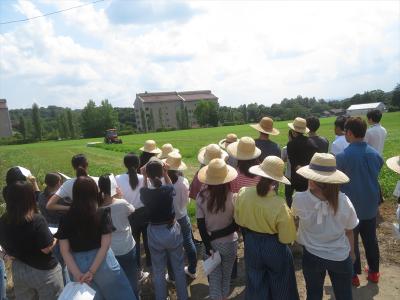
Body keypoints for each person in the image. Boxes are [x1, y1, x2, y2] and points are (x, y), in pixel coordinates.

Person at [55, 176, 136, 300]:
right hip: (103, 261)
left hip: (77, 263)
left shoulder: (65, 218)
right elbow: (105, 245)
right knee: (119, 294)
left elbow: (64, 250)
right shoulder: (102, 214)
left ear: (75, 193)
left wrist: (77, 274)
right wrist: (91, 271)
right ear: (94, 192)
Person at [292, 153, 358, 300]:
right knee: (344, 295)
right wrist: (352, 253)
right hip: (340, 256)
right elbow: (349, 231)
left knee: (313, 295)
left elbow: (295, 220)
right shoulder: (344, 201)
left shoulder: (299, 199)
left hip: (311, 255)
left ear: (313, 180)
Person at [234, 156, 299, 300]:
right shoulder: (280, 204)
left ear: (259, 173)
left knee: (255, 280)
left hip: (251, 242)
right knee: (281, 282)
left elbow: (238, 219)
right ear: (276, 180)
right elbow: (287, 237)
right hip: (274, 245)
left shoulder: (244, 193)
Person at [336, 117, 383, 286]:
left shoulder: (342, 157)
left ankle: (353, 274)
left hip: (351, 207)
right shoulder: (374, 154)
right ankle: (374, 272)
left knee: (351, 241)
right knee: (371, 240)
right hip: (370, 204)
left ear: (349, 132)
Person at [0, 181, 63, 299]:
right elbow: (46, 249)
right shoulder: (36, 219)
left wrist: (6, 256)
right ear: (29, 198)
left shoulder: (3, 219)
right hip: (44, 271)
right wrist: (56, 238)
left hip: (19, 269)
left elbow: (4, 247)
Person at [140, 160, 188, 300]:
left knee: (158, 270)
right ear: (161, 173)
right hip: (171, 229)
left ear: (148, 175)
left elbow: (143, 191)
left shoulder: (145, 193)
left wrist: (144, 177)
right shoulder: (167, 190)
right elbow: (170, 186)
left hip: (154, 231)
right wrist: (166, 173)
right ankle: (183, 297)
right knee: (178, 268)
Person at [196, 158, 238, 300]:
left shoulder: (200, 197)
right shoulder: (233, 196)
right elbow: (235, 224)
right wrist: (217, 234)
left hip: (211, 246)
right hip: (230, 243)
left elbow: (201, 226)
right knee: (226, 279)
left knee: (214, 281)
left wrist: (208, 243)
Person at [98, 174, 138, 298]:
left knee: (116, 280)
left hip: (109, 250)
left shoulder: (98, 208)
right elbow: (132, 210)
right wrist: (120, 196)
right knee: (132, 276)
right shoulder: (122, 203)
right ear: (114, 187)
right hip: (127, 246)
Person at [163, 152, 197, 281]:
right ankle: (192, 270)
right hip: (182, 216)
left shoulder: (161, 181)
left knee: (171, 248)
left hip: (168, 220)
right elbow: (186, 202)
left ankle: (172, 275)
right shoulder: (183, 181)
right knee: (188, 242)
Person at [116, 153, 151, 278]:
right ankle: (151, 265)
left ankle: (138, 271)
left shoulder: (117, 178)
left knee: (134, 243)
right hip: (144, 213)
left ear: (125, 164)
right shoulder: (143, 178)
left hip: (128, 214)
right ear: (138, 164)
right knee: (148, 241)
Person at [38, 172, 71, 285]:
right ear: (59, 183)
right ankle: (66, 285)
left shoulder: (41, 196)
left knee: (57, 258)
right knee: (65, 260)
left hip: (47, 230)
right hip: (61, 231)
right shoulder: (62, 199)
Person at [287, 117, 318, 192]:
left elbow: (294, 164)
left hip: (298, 179)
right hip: (311, 178)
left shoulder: (291, 144)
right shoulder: (312, 142)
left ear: (294, 131)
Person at [282, 130, 294, 207]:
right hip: (300, 175)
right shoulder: (303, 146)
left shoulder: (285, 148)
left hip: (289, 175)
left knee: (288, 195)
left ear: (290, 136)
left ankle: (290, 210)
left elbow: (283, 160)